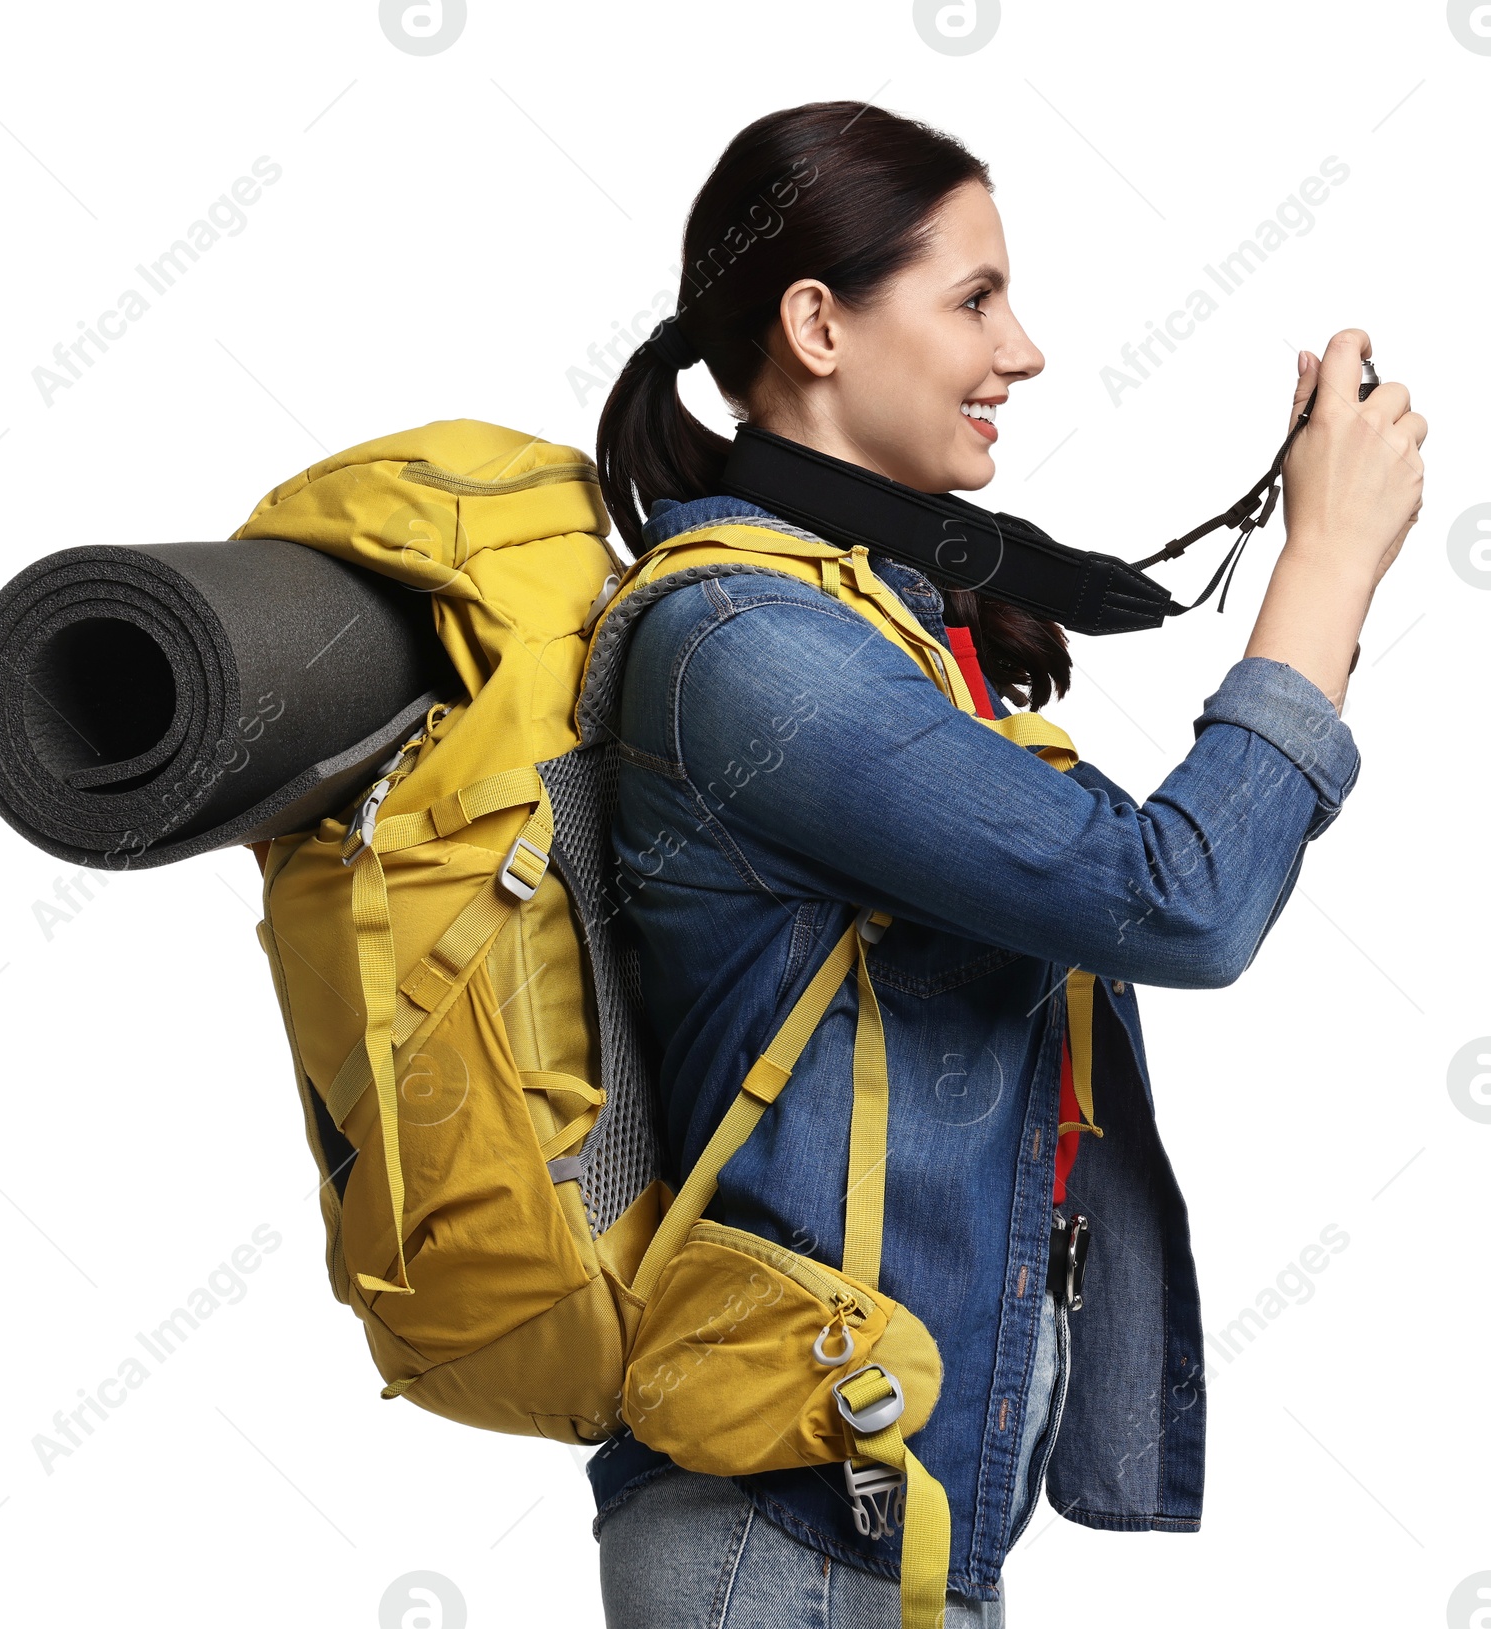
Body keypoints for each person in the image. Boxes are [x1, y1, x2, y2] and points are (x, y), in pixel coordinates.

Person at [581, 101, 1425, 1627]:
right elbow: (1177, 893)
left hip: (879, 1530)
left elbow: (1153, 871)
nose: (1021, 350)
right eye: (975, 298)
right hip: (777, 1540)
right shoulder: (749, 648)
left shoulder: (872, 623)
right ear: (818, 324)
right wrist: (1325, 562)